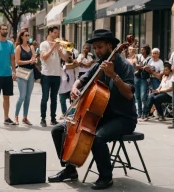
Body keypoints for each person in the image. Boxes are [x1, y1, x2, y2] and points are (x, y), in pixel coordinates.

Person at [48, 29, 137, 190]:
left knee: (97, 137)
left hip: (122, 117)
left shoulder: (124, 66)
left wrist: (113, 76)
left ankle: (106, 177)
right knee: (58, 130)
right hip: (101, 115)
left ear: (111, 45)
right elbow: (81, 81)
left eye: (100, 47)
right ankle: (70, 169)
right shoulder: (97, 65)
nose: (97, 51)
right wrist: (75, 88)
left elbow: (129, 94)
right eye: (95, 47)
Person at [39, 26, 68, 127]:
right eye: (55, 33)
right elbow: (44, 57)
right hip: (46, 75)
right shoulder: (44, 44)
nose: (57, 35)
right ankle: (43, 118)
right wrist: (52, 47)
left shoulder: (59, 45)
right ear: (50, 33)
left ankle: (53, 118)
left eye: (57, 33)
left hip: (56, 75)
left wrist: (60, 51)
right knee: (45, 97)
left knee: (54, 98)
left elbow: (65, 58)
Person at [14, 30, 37, 125]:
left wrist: (34, 60)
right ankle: (16, 116)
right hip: (22, 72)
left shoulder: (31, 47)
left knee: (28, 97)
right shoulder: (18, 48)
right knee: (22, 96)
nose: (28, 37)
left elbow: (34, 58)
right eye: (26, 35)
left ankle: (25, 117)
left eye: (28, 35)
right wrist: (29, 61)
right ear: (22, 37)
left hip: (31, 73)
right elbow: (17, 61)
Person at [134, 45, 151, 119]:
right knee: (137, 96)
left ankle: (145, 113)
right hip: (137, 78)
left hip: (144, 79)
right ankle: (139, 113)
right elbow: (136, 65)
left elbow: (148, 68)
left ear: (146, 50)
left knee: (143, 96)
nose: (141, 51)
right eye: (141, 50)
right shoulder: (139, 56)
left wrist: (141, 67)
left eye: (143, 50)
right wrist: (143, 67)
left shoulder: (149, 58)